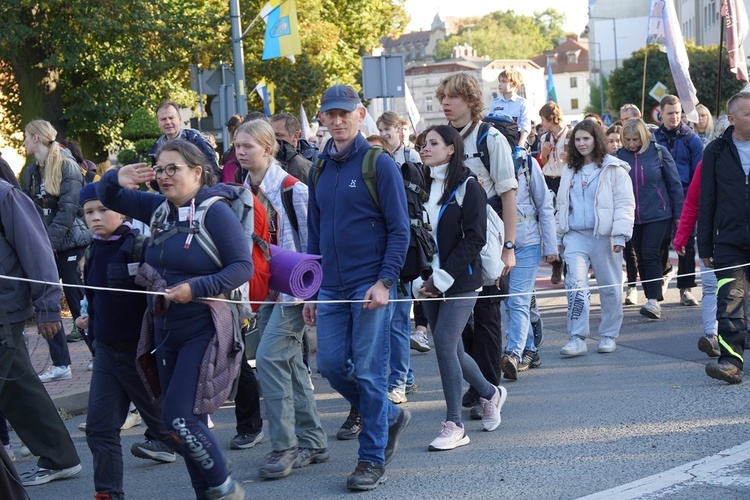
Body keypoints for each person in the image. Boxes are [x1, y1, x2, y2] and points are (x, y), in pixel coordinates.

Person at [97, 139, 252, 499]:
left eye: (173, 169)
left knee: (178, 418)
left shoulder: (214, 211)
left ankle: (225, 486)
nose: (165, 176)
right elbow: (107, 196)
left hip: (205, 327)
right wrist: (117, 176)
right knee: (188, 425)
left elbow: (242, 267)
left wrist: (195, 288)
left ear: (197, 172)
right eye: (160, 168)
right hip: (165, 330)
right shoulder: (159, 208)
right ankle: (211, 491)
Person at [303, 84, 411, 491]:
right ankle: (388, 413)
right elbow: (314, 236)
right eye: (329, 114)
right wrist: (311, 289)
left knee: (368, 372)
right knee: (330, 366)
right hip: (330, 286)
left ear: (360, 114)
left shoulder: (377, 163)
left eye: (343, 113)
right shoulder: (318, 166)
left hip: (372, 287)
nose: (337, 120)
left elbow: (399, 231)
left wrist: (385, 282)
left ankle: (371, 459)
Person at [233, 119, 329, 479]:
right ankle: (314, 441)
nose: (240, 152)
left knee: (271, 357)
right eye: (237, 147)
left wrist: (312, 297)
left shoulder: (293, 189)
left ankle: (284, 445)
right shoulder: (242, 189)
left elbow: (312, 248)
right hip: (266, 289)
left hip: (294, 291)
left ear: (268, 150)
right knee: (286, 364)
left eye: (248, 147)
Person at [78, 182, 181, 499]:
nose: (96, 217)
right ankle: (109, 493)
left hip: (139, 354)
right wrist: (90, 323)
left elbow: (159, 298)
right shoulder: (92, 250)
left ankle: (217, 477)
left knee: (170, 430)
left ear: (121, 211)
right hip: (107, 355)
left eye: (103, 210)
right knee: (99, 429)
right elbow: (94, 299)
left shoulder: (139, 246)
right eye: (89, 212)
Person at [415, 125, 506, 450]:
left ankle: (454, 423)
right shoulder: (424, 186)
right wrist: (422, 276)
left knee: (443, 341)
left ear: (451, 148)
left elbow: (475, 238)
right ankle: (489, 392)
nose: (425, 148)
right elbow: (420, 236)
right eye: (423, 144)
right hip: (429, 281)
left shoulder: (470, 187)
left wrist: (442, 279)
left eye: (433, 143)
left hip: (462, 279)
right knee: (451, 348)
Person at [435, 72, 517, 420]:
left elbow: (509, 193)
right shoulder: (446, 139)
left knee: (485, 315)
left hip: (491, 233)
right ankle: (477, 383)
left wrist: (508, 247)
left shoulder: (490, 137)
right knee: (459, 320)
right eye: (442, 98)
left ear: (470, 100)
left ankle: (489, 388)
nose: (446, 104)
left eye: (452, 97)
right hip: (460, 239)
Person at [0, 178, 83, 487]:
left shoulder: (6, 196)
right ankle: (60, 457)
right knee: (17, 387)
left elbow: (37, 250)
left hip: (4, 309)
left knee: (15, 386)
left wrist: (48, 307)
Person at [20, 119, 91, 382]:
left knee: (76, 301)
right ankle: (61, 364)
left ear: (37, 138)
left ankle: (99, 353)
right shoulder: (29, 171)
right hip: (44, 246)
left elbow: (68, 210)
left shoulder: (67, 165)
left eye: (27, 137)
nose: (24, 142)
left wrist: (46, 244)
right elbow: (28, 210)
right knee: (47, 303)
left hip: (70, 243)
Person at [557, 120, 635, 357]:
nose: (581, 143)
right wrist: (559, 234)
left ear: (596, 139)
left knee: (610, 287)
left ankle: (609, 334)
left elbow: (624, 203)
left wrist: (621, 234)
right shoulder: (569, 168)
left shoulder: (613, 168)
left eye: (586, 139)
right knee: (575, 286)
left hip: (605, 236)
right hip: (575, 236)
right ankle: (577, 337)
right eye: (577, 139)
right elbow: (561, 203)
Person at [698, 92, 750, 384]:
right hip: (728, 242)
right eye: (748, 114)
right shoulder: (715, 151)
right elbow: (708, 200)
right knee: (729, 301)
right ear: (731, 120)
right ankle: (731, 362)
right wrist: (704, 244)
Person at [500, 140, 558, 380]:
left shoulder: (526, 163)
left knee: (517, 300)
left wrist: (551, 247)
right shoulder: (485, 162)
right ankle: (531, 347)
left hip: (527, 242)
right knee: (506, 302)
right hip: (496, 244)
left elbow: (544, 205)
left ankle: (514, 352)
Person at [675, 115, 731, 358]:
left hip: (730, 235)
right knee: (712, 287)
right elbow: (692, 204)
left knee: (726, 288)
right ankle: (712, 335)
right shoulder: (706, 165)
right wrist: (681, 237)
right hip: (714, 236)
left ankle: (720, 333)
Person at [616, 119, 683, 320]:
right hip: (632, 216)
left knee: (650, 253)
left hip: (658, 213)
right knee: (639, 258)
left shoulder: (659, 152)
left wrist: (679, 215)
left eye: (635, 139)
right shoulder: (618, 157)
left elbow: (675, 185)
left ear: (644, 137)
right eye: (627, 139)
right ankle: (651, 295)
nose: (631, 143)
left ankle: (653, 301)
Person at [652, 94, 704, 307]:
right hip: (660, 198)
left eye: (677, 113)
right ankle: (665, 273)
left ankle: (686, 287)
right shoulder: (654, 139)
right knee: (660, 242)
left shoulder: (691, 138)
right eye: (670, 113)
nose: (674, 117)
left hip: (685, 197)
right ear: (661, 114)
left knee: (686, 245)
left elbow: (699, 170)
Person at [537, 102, 569, 284]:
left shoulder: (570, 134)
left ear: (550, 118)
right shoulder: (545, 137)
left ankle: (567, 259)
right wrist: (545, 152)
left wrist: (569, 156)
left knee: (564, 219)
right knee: (549, 220)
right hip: (549, 179)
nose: (542, 123)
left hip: (564, 179)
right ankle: (556, 262)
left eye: (543, 119)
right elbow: (542, 161)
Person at [148, 101, 221, 178]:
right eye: (163, 119)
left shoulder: (196, 140)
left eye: (171, 118)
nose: (168, 122)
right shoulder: (156, 147)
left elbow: (214, 172)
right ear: (158, 123)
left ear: (179, 119)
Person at [489, 69, 531, 148]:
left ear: (514, 84)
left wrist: (520, 145)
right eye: (499, 81)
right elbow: (489, 123)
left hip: (515, 141)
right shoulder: (495, 103)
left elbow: (525, 126)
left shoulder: (522, 103)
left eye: (504, 81)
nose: (500, 84)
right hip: (497, 142)